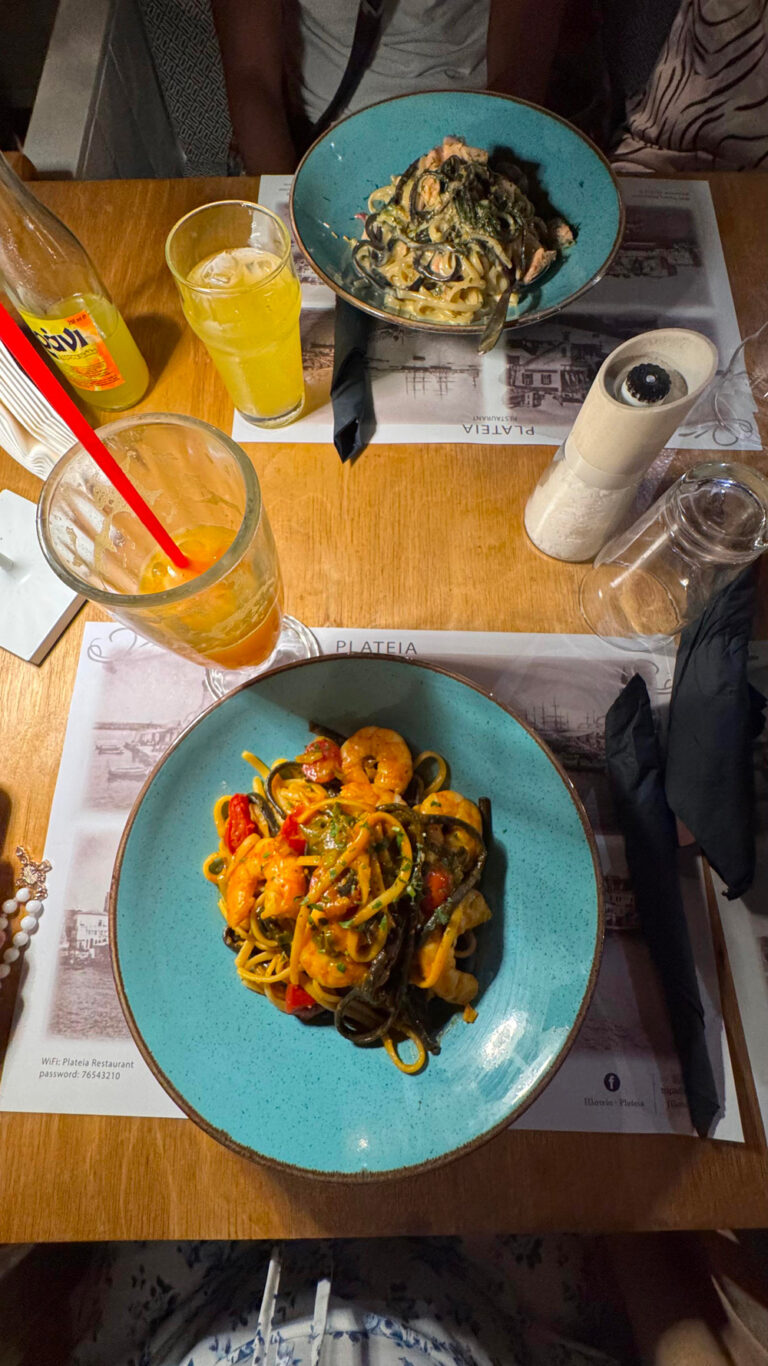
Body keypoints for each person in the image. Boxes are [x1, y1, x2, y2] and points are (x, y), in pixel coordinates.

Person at [210, 0, 570, 173]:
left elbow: (519, 72)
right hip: (318, 147)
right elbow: (251, 76)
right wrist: (289, 210)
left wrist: (472, 188)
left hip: (475, 138)